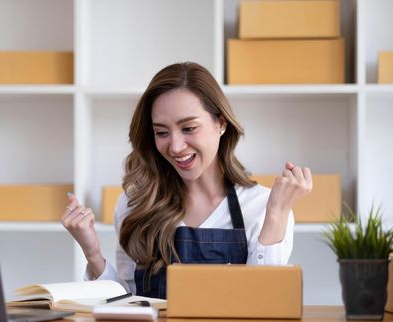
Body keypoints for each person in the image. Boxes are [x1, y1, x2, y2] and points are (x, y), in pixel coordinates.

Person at [62, 62, 313, 299]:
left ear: (221, 123)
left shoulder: (262, 207)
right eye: (161, 132)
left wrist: (277, 214)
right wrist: (92, 253)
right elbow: (128, 301)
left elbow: (263, 302)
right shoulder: (135, 204)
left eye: (189, 128)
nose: (175, 146)